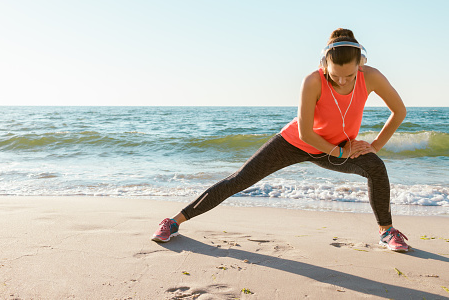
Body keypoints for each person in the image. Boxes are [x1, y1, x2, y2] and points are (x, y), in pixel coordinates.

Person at [151, 28, 409, 252]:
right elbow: (307, 134)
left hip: (334, 148)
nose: (342, 81)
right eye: (335, 75)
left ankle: (387, 232)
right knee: (239, 179)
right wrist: (340, 153)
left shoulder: (371, 76)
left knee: (376, 167)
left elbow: (399, 111)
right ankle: (173, 222)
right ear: (324, 65)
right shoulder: (312, 81)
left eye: (349, 76)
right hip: (295, 142)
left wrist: (373, 146)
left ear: (360, 65)